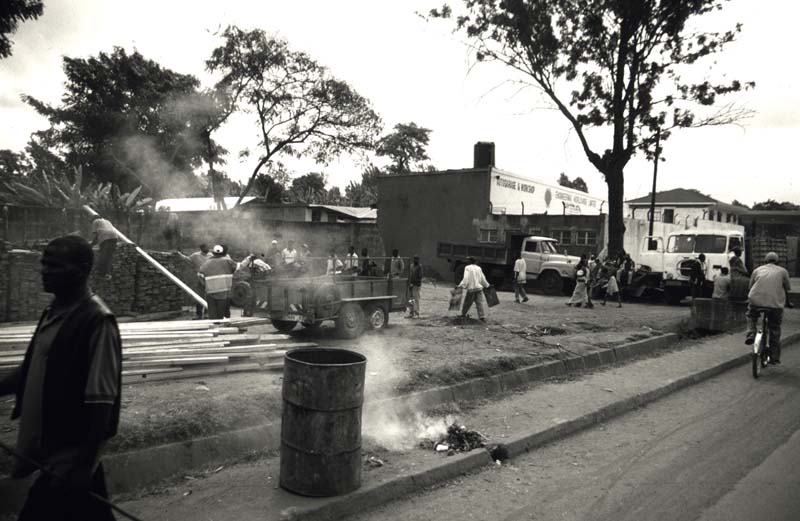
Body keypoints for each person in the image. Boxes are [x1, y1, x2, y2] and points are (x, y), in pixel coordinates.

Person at [0, 235, 121, 520]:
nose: (44, 271)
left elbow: (102, 399)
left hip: (68, 455)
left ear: (80, 270)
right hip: (51, 449)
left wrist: (83, 463)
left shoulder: (97, 320)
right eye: (44, 264)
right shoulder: (53, 313)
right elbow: (30, 372)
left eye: (54, 266)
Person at [744, 252, 793, 364]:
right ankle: (774, 357)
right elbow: (787, 289)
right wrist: (788, 303)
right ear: (778, 262)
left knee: (751, 315)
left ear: (765, 261)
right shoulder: (783, 271)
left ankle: (751, 332)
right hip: (775, 305)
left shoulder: (757, 270)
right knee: (774, 328)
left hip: (756, 301)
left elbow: (750, 286)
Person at [199, 245, 243, 320]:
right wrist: (248, 259)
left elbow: (200, 275)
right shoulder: (227, 261)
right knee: (222, 313)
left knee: (213, 313)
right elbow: (239, 267)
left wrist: (205, 285)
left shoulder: (207, 263)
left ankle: (214, 327)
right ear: (223, 253)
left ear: (213, 253)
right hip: (224, 292)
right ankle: (223, 327)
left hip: (210, 292)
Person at [457, 257, 490, 321]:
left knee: (467, 303)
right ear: (475, 262)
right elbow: (483, 278)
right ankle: (482, 316)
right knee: (479, 303)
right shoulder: (479, 268)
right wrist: (487, 285)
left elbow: (466, 278)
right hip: (479, 288)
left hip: (471, 289)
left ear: (469, 261)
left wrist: (460, 286)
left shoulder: (467, 268)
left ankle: (463, 314)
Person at [90, 216, 118, 281]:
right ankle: (108, 273)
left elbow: (96, 235)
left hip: (105, 237)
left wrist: (91, 245)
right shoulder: (108, 221)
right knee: (109, 256)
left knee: (103, 255)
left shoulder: (95, 221)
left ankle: (101, 273)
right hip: (114, 236)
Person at [188, 244, 212, 319]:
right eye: (206, 247)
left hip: (209, 278)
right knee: (200, 296)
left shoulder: (211, 255)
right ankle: (199, 314)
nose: (208, 249)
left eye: (208, 247)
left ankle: (207, 313)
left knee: (209, 296)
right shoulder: (195, 255)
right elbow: (188, 260)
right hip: (200, 278)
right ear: (201, 248)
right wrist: (179, 255)